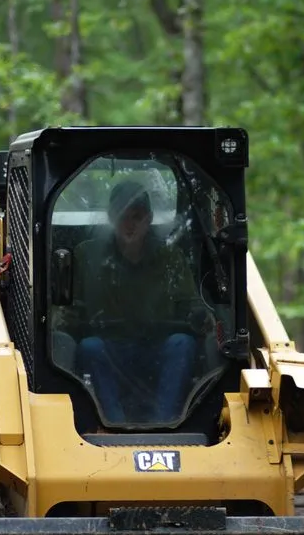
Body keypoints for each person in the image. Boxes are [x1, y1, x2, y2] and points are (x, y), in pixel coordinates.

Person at [64, 179, 210, 425]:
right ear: (111, 217)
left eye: (137, 216)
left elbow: (191, 305)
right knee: (90, 346)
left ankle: (167, 424)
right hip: (111, 351)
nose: (129, 224)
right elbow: (69, 309)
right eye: (123, 216)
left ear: (149, 218)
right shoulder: (86, 256)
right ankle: (113, 423)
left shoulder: (171, 257)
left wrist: (201, 318)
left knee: (182, 344)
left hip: (157, 350)